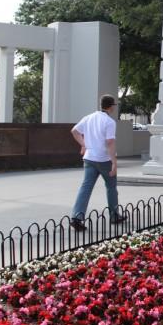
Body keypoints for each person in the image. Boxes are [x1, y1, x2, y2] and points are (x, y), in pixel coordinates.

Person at [70, 95, 128, 231]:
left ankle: (77, 217)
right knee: (111, 186)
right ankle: (114, 215)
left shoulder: (89, 117)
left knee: (86, 187)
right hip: (104, 159)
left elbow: (74, 131)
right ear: (111, 106)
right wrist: (114, 162)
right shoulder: (109, 122)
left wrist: (84, 145)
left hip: (89, 158)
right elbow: (110, 143)